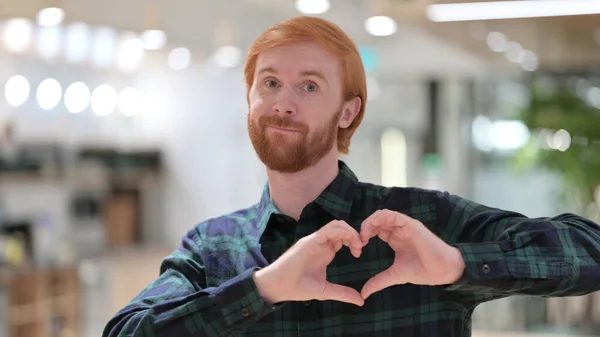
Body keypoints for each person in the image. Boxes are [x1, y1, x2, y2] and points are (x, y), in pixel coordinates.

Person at [102, 16, 600, 337]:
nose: (284, 101)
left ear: (347, 112)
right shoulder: (212, 249)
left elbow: (589, 250)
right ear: (250, 98)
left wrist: (455, 263)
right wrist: (263, 288)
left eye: (309, 86)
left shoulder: (422, 221)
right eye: (270, 82)